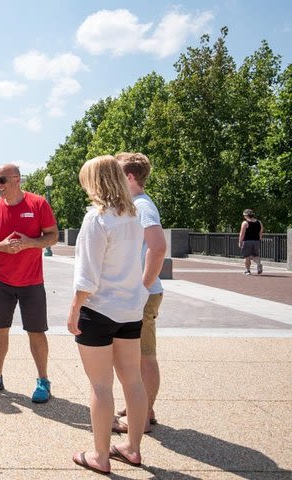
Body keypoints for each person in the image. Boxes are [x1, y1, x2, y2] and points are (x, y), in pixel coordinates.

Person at [67, 155, 149, 475]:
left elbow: (87, 275)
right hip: (130, 310)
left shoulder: (96, 218)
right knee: (133, 380)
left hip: (99, 309)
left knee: (100, 386)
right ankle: (132, 447)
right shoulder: (133, 216)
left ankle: (100, 455)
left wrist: (74, 308)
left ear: (96, 181)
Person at [0, 164, 58, 403]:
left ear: (17, 179)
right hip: (1, 281)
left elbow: (53, 235)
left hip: (32, 281)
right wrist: (2, 246)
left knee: (36, 331)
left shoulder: (38, 204)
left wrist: (29, 243)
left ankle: (43, 379)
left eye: (2, 180)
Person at [113, 152, 167, 435]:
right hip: (140, 292)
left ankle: (142, 417)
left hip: (143, 293)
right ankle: (143, 407)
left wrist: (142, 287)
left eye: (118, 174)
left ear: (130, 178)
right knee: (135, 356)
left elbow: (158, 248)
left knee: (144, 357)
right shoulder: (135, 205)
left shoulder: (143, 207)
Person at [238, 208, 264, 275]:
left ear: (246, 215)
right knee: (256, 255)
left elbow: (242, 233)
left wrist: (240, 241)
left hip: (247, 241)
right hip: (256, 241)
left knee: (247, 256)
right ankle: (259, 264)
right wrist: (259, 239)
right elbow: (261, 232)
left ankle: (248, 271)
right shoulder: (259, 222)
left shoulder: (245, 223)